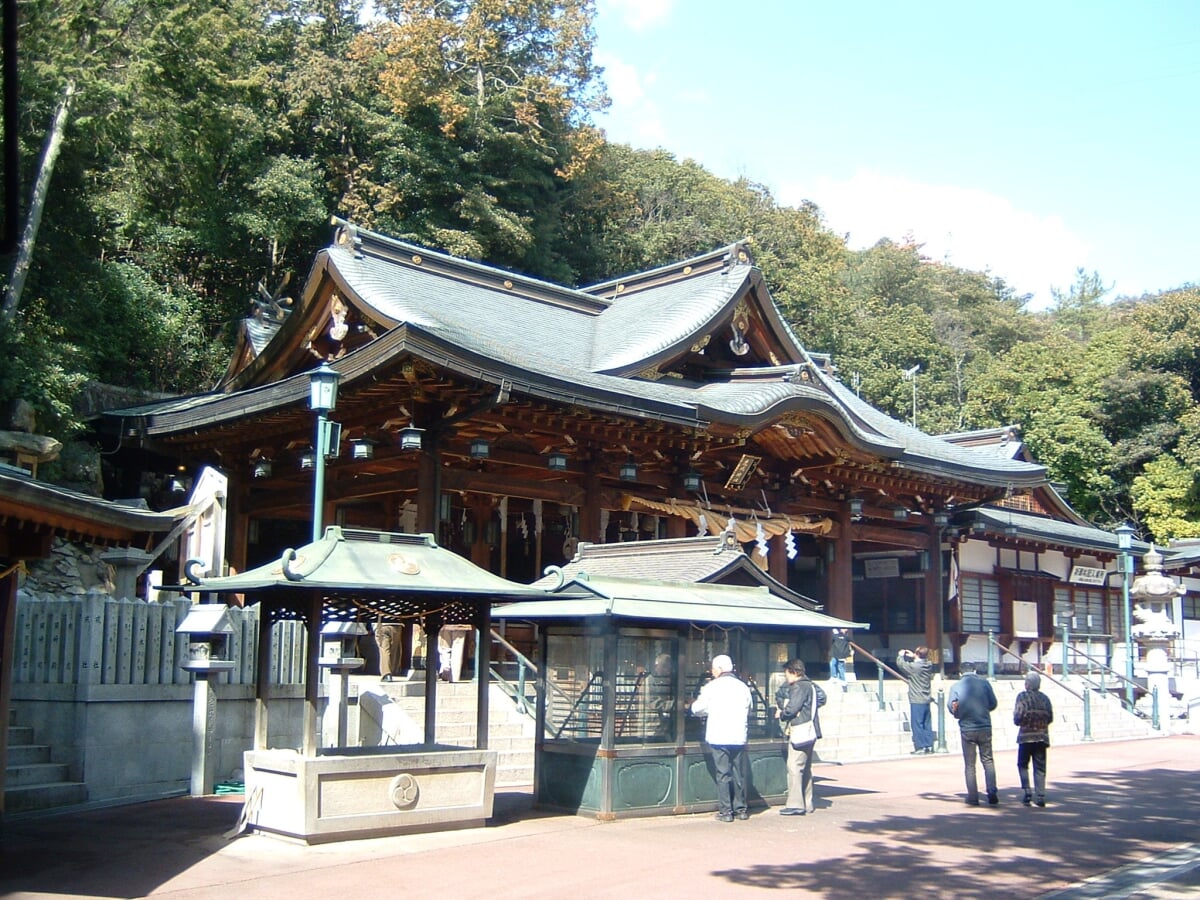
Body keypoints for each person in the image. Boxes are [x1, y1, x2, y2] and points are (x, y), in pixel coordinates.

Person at [690, 654, 753, 822]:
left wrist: (692, 706)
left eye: (713, 668)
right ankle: (741, 809)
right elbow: (750, 708)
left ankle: (726, 811)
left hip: (719, 735)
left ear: (719, 669)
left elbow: (698, 708)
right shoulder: (743, 687)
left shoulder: (712, 687)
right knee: (739, 773)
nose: (712, 671)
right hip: (738, 736)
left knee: (723, 773)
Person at [775, 658, 826, 816]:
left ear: (793, 672)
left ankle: (795, 804)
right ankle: (807, 801)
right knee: (805, 767)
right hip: (811, 730)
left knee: (794, 766)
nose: (786, 677)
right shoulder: (810, 685)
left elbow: (792, 708)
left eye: (787, 674)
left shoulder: (798, 686)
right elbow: (822, 698)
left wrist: (782, 713)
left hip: (800, 729)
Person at [948, 661, 999, 806]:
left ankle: (972, 796)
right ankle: (992, 791)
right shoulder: (985, 684)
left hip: (967, 728)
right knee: (988, 760)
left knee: (970, 764)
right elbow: (993, 703)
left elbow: (951, 707)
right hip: (984, 726)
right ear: (975, 671)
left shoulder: (955, 686)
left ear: (960, 672)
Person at [1013, 670, 1054, 807]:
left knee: (1023, 764)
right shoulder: (1045, 698)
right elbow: (1050, 717)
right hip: (1042, 737)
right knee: (1040, 767)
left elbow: (1018, 717)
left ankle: (1027, 792)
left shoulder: (1022, 697)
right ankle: (1041, 795)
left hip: (1025, 737)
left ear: (1028, 684)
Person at [896, 646, 934, 753]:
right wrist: (915, 656)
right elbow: (920, 660)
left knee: (917, 724)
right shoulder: (928, 665)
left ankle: (920, 746)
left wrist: (900, 655)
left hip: (917, 698)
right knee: (927, 723)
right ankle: (929, 745)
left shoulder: (915, 667)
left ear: (917, 654)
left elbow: (902, 665)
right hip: (926, 697)